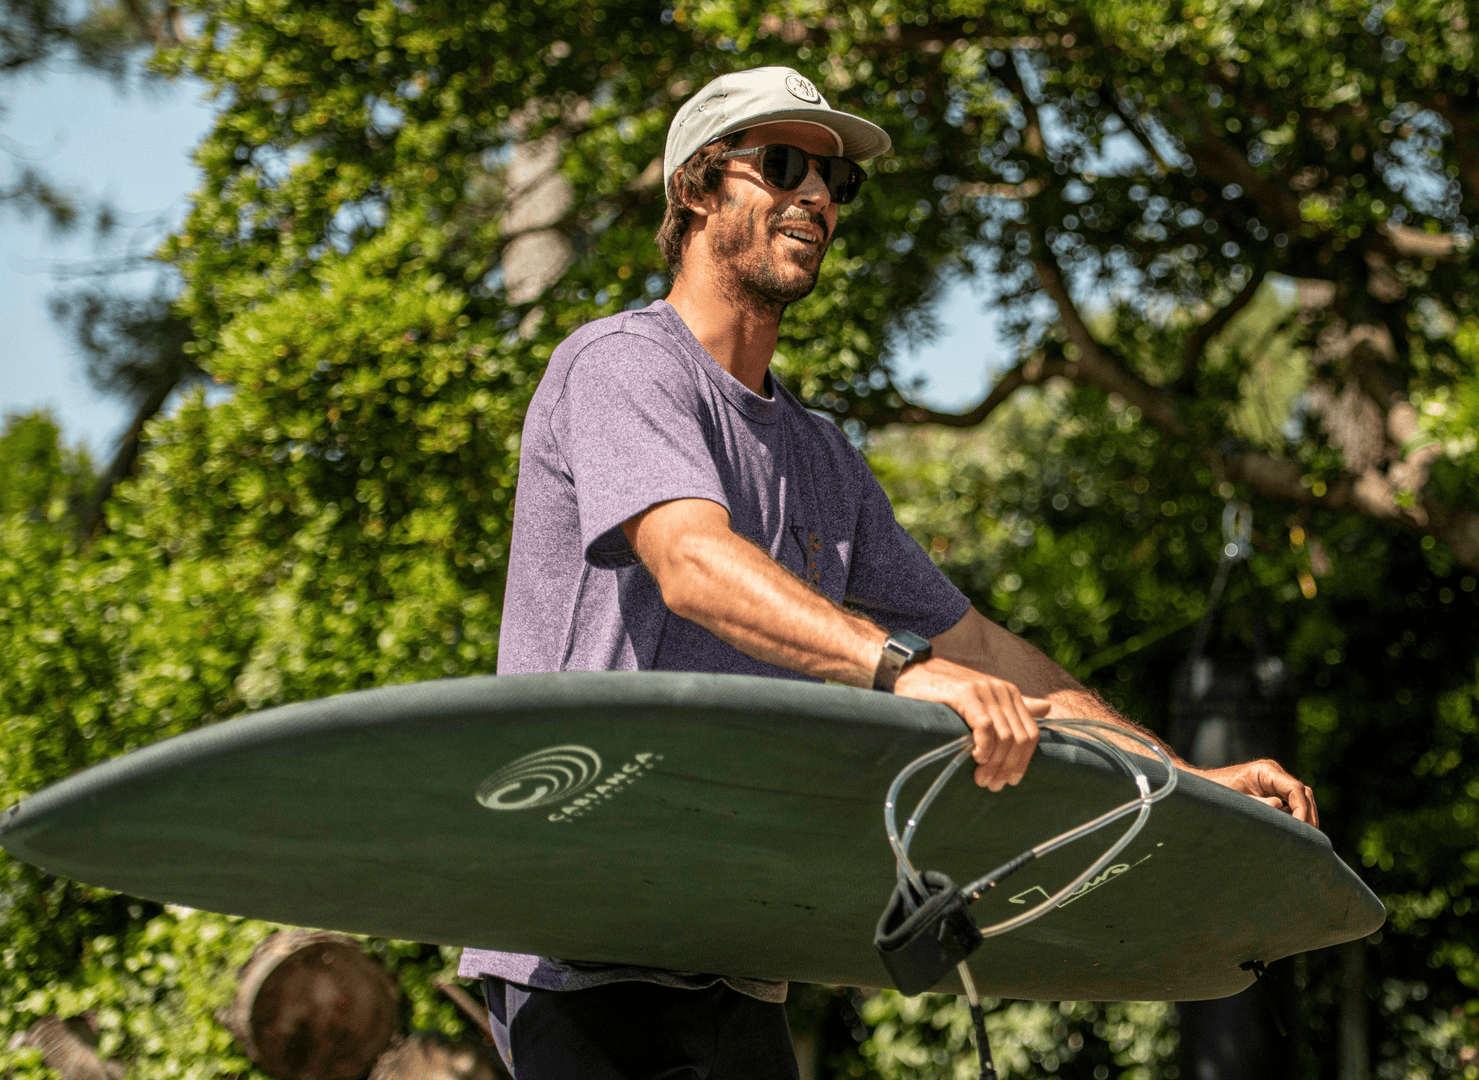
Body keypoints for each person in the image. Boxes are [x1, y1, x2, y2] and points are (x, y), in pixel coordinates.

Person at [458, 65, 1318, 1080]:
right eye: (783, 165)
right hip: (581, 947)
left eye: (834, 183)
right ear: (696, 186)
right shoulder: (620, 366)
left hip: (737, 955)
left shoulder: (824, 458)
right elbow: (692, 563)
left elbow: (986, 650)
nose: (817, 198)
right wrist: (904, 673)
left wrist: (1176, 785)